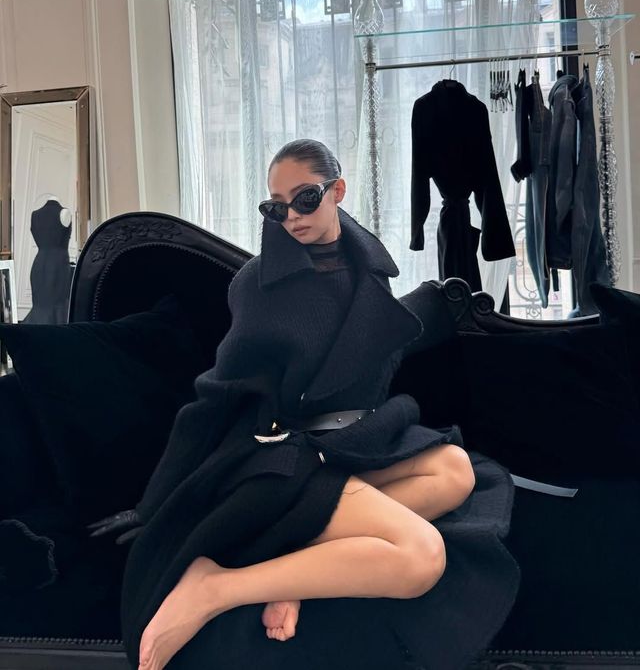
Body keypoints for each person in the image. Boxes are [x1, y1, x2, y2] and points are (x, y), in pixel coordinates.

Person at [90, 139, 520, 670]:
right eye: (276, 207)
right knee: (422, 556)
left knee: (456, 470)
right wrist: (154, 504)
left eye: (305, 198)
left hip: (348, 442)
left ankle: (296, 572)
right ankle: (216, 587)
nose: (291, 216)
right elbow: (217, 394)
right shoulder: (261, 285)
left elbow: (371, 361)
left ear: (337, 191)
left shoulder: (366, 264)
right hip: (283, 455)